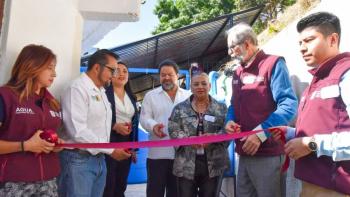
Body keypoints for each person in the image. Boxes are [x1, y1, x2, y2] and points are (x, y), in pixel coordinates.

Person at [271, 12, 350, 196]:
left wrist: (310, 144)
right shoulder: (315, 82)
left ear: (332, 39)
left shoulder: (345, 75)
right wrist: (292, 133)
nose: (302, 48)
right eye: (300, 43)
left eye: (309, 40)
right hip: (312, 186)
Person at [224, 23, 298, 197]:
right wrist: (229, 120)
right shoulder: (237, 73)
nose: (230, 53)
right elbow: (234, 104)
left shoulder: (273, 64)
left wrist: (260, 133)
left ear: (247, 44)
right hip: (244, 153)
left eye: (232, 48)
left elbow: (288, 105)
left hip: (268, 154)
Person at [58, 49, 131, 197]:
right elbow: (78, 132)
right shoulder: (77, 89)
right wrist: (111, 150)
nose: (114, 75)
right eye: (112, 70)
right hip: (78, 160)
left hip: (99, 159)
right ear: (97, 67)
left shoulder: (101, 91)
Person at [0, 44, 63, 196]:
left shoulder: (52, 102)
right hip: (13, 183)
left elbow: (45, 140)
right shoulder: (6, 96)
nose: (54, 74)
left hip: (49, 182)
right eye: (49, 67)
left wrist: (55, 144)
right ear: (32, 66)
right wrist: (25, 145)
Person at [168, 71, 229, 197]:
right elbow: (173, 129)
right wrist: (188, 139)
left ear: (209, 86)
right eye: (196, 84)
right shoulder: (179, 108)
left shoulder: (222, 108)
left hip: (214, 164)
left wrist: (213, 138)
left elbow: (227, 130)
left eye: (203, 83)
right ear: (191, 87)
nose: (200, 87)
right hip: (186, 164)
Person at [140, 59, 191, 197]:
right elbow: (144, 118)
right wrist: (154, 126)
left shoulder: (188, 96)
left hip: (182, 156)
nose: (166, 77)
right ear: (159, 77)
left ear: (177, 75)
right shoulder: (150, 96)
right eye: (163, 75)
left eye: (170, 74)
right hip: (157, 155)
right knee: (154, 192)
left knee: (177, 193)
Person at [103, 61, 139, 197]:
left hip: (127, 143)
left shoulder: (132, 97)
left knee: (121, 183)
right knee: (108, 184)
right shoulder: (104, 94)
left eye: (125, 71)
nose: (122, 74)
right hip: (109, 141)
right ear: (110, 75)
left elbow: (135, 122)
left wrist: (134, 147)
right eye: (117, 70)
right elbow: (98, 118)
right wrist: (114, 125)